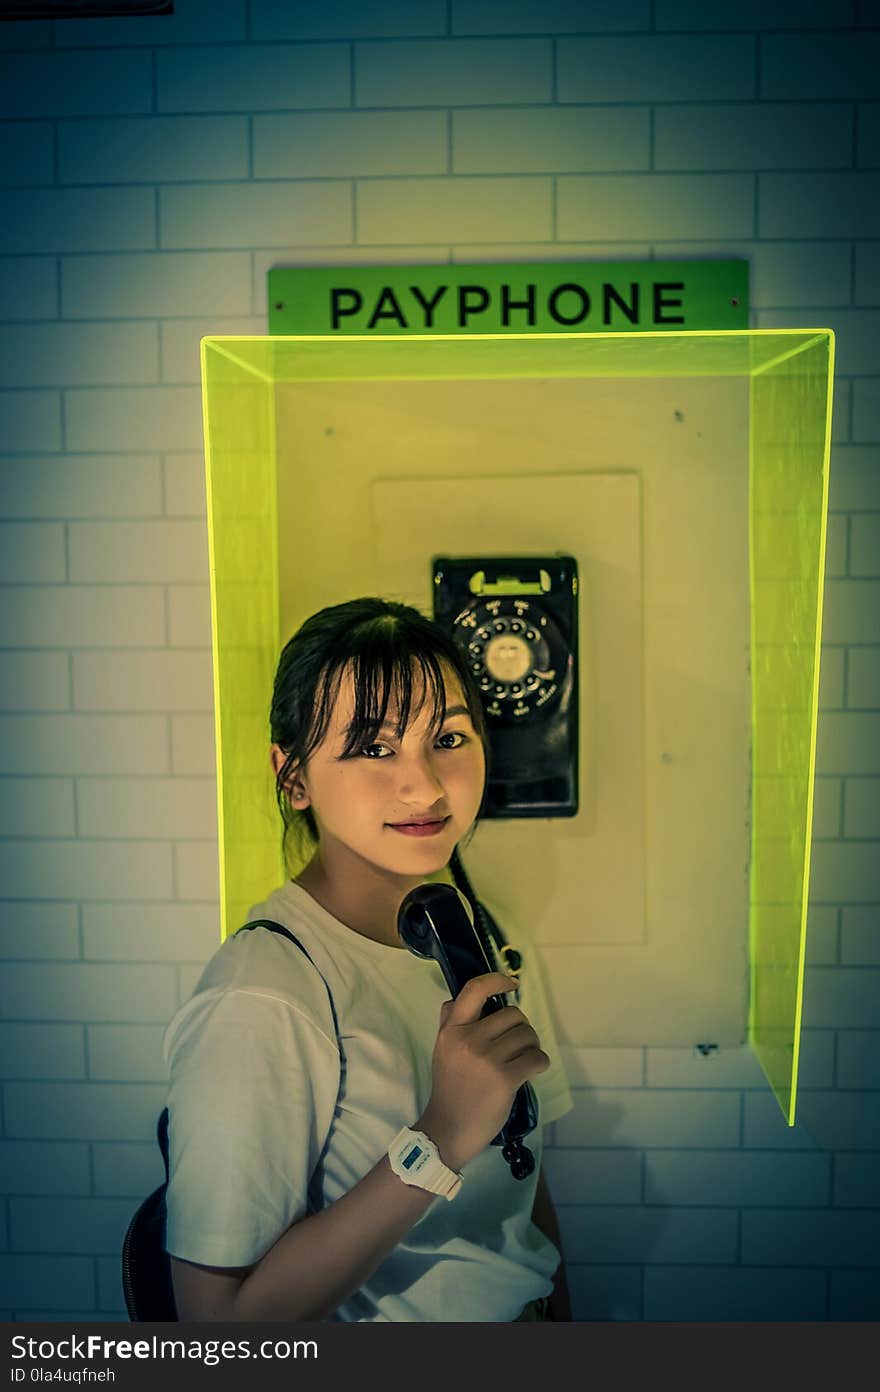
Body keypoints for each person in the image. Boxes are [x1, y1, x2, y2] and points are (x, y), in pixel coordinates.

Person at [162, 596, 574, 1322]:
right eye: (372, 748)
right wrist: (441, 1133)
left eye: (448, 737)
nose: (424, 785)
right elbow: (216, 1327)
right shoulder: (265, 994)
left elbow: (525, 1189)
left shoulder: (479, 931)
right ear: (292, 778)